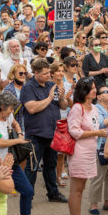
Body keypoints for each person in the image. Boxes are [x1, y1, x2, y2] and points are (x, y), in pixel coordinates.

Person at [20, 58, 68, 203]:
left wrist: (62, 97)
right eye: (45, 73)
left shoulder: (51, 85)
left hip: (52, 132)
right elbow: (32, 108)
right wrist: (49, 97)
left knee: (51, 165)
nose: (49, 76)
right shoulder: (28, 88)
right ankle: (28, 196)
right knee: (32, 167)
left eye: (49, 73)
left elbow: (63, 106)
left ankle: (53, 193)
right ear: (36, 73)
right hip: (36, 134)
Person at [67, 77, 106, 215]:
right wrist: (97, 133)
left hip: (90, 151)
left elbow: (99, 125)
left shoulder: (94, 108)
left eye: (95, 88)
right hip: (79, 152)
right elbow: (74, 131)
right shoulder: (77, 108)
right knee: (76, 189)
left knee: (81, 188)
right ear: (84, 91)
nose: (95, 90)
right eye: (92, 88)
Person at [89, 85, 108, 215]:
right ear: (98, 97)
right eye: (106, 92)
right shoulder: (95, 109)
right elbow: (97, 125)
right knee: (98, 176)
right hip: (101, 145)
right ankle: (93, 204)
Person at [3, 64, 29, 132]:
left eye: (25, 73)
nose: (23, 75)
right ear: (13, 74)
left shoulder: (28, 87)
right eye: (20, 73)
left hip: (29, 123)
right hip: (15, 124)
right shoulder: (8, 89)